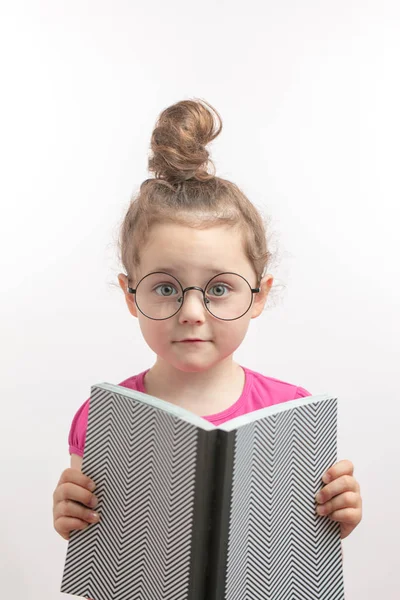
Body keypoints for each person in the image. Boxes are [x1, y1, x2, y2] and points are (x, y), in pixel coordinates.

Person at [53, 98, 362, 548]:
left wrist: (337, 515)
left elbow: (299, 552)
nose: (192, 312)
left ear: (259, 296)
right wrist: (69, 516)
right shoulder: (105, 418)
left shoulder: (293, 414)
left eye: (219, 289)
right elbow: (94, 546)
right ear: (129, 294)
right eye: (165, 288)